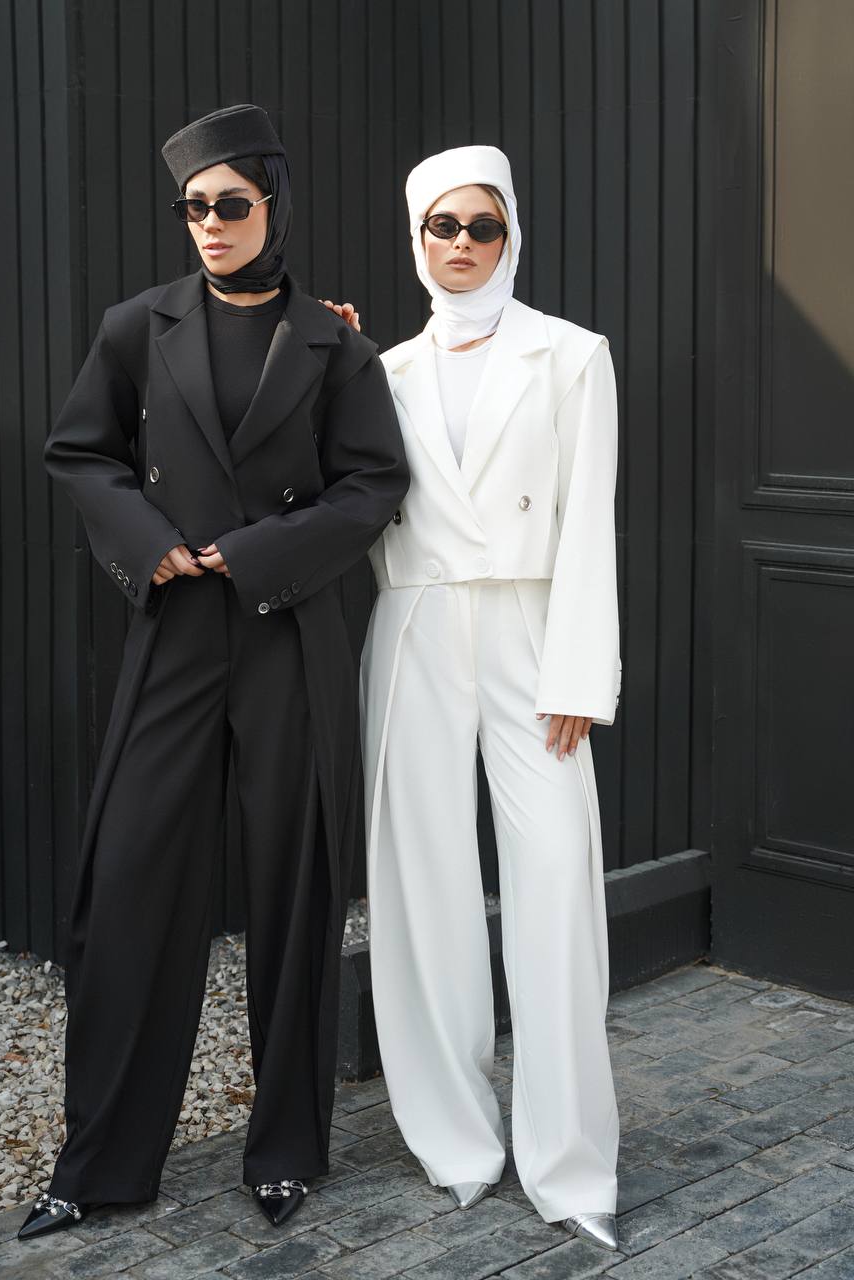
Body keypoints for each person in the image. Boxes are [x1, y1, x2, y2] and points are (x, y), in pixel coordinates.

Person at [18, 103, 408, 1240]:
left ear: (273, 204)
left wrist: (259, 553)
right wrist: (150, 544)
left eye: (231, 203)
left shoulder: (337, 345)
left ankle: (284, 1148)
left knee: (295, 885)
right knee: (130, 876)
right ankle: (101, 1161)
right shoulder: (136, 327)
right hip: (179, 627)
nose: (210, 223)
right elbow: (79, 452)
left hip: (288, 632)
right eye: (193, 206)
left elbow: (374, 484)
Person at [355, 145, 622, 1251]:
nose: (461, 244)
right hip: (415, 620)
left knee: (554, 879)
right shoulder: (378, 371)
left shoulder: (570, 354)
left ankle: (571, 1165)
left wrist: (579, 672)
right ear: (416, 236)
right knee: (422, 883)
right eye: (442, 226)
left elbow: (589, 518)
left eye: (483, 226)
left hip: (528, 623)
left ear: (511, 235)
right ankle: (456, 1141)